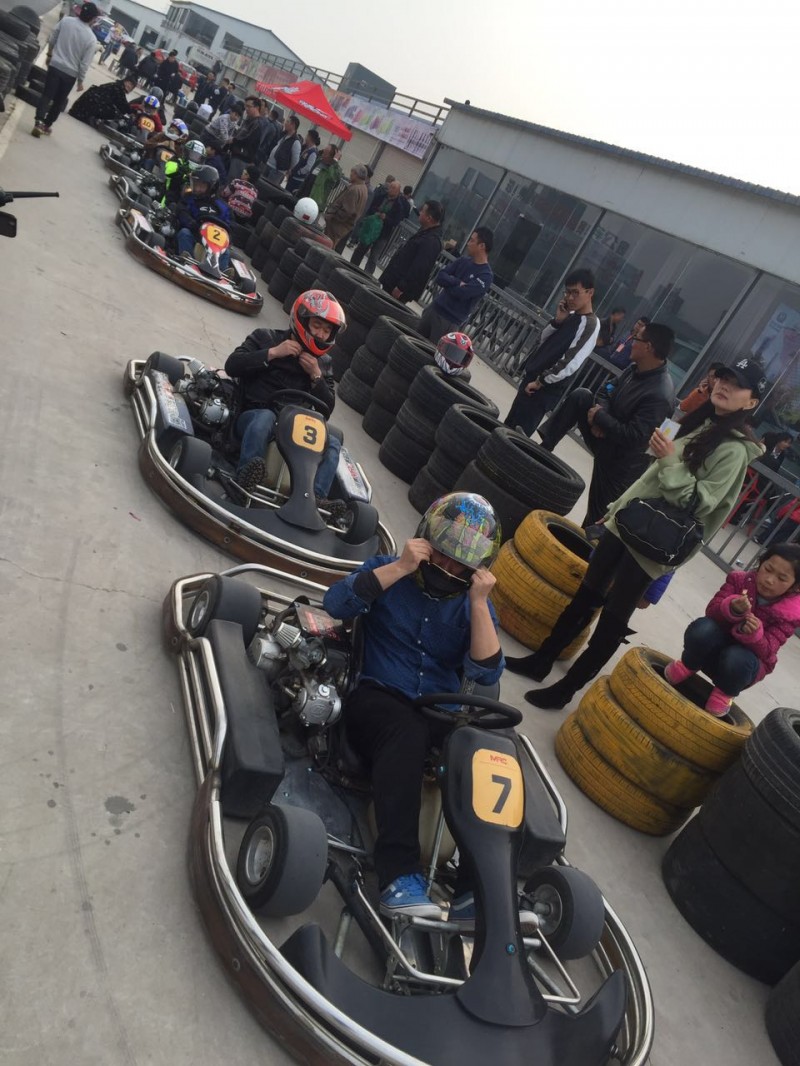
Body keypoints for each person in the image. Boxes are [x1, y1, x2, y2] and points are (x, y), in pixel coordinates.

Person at [507, 358, 767, 711]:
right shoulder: (698, 422)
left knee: (615, 616)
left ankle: (567, 688)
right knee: (587, 593)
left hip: (656, 539)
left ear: (751, 402)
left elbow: (700, 503)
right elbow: (651, 472)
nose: (724, 385)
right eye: (723, 377)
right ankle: (542, 659)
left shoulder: (735, 451)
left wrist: (670, 459)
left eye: (737, 384)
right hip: (630, 520)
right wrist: (617, 508)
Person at [322, 492, 504, 917]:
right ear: (426, 541)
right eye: (442, 555)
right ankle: (398, 875)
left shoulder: (473, 607)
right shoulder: (388, 568)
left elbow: (486, 673)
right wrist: (403, 567)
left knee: (492, 752)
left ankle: (476, 888)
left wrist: (478, 603)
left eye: (460, 564)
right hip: (376, 698)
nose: (448, 568)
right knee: (407, 731)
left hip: (439, 711)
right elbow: (335, 604)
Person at [537, 322, 677, 527]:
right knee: (581, 397)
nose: (631, 343)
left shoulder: (660, 394)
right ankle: (543, 450)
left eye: (636, 339)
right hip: (605, 436)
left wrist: (601, 418)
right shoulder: (634, 369)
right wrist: (600, 415)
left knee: (596, 520)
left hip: (621, 465)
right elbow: (606, 389)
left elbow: (635, 437)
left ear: (648, 347)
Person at [223, 291, 346, 506]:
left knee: (333, 443)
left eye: (327, 330)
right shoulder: (266, 338)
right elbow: (232, 365)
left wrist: (316, 376)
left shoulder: (323, 364)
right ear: (302, 320)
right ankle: (245, 480)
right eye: (317, 326)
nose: (321, 334)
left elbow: (327, 409)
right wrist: (272, 353)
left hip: (294, 428)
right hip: (251, 417)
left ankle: (314, 499)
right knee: (265, 418)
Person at [663, 544, 800, 715]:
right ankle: (688, 665)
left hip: (742, 666)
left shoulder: (789, 615)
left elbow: (768, 651)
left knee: (737, 657)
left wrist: (755, 635)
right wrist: (732, 608)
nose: (769, 580)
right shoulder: (739, 581)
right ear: (760, 563)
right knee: (703, 629)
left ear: (795, 586)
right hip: (714, 648)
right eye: (768, 569)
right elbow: (711, 611)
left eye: (782, 578)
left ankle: (724, 693)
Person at [503, 269, 600, 435]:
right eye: (567, 292)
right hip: (532, 378)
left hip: (543, 388)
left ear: (590, 292)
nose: (570, 298)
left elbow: (570, 362)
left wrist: (541, 382)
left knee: (516, 435)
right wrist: (558, 321)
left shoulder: (590, 324)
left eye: (575, 293)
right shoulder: (570, 316)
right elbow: (542, 340)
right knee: (507, 426)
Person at [32, 1, 99, 138]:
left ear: (80, 11)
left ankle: (38, 122)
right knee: (59, 101)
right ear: (93, 19)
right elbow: (84, 63)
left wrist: (49, 54)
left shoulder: (66, 21)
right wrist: (80, 81)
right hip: (70, 74)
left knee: (47, 95)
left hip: (55, 65)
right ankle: (46, 125)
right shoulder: (92, 39)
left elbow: (52, 38)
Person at [419, 227, 494, 341]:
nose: (468, 243)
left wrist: (448, 283)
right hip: (433, 309)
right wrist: (457, 282)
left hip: (449, 320)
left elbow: (462, 294)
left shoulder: (485, 275)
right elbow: (440, 276)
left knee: (431, 349)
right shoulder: (463, 260)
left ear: (482, 246)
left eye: (472, 240)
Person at [379, 200, 444, 303]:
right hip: (391, 280)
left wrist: (401, 287)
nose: (420, 212)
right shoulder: (424, 233)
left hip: (397, 289)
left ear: (429, 218)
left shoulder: (432, 241)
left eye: (422, 211)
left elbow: (419, 268)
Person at [174, 165, 231, 269]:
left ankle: (219, 273)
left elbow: (229, 226)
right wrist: (191, 223)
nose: (197, 188)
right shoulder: (189, 198)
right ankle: (188, 262)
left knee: (226, 252)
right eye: (195, 184)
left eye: (201, 186)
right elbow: (181, 211)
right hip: (195, 234)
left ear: (212, 187)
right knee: (184, 233)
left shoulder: (222, 207)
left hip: (215, 242)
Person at [350, 179, 408, 275]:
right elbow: (371, 208)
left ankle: (366, 275)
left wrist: (386, 218)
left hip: (383, 233)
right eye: (390, 186)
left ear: (398, 191)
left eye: (393, 188)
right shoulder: (381, 197)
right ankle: (352, 267)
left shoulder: (399, 205)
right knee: (360, 249)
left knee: (374, 257)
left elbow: (396, 221)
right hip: (371, 228)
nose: (390, 189)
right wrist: (375, 213)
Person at [324, 164, 369, 252]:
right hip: (344, 226)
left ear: (356, 174)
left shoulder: (355, 189)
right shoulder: (364, 189)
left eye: (352, 172)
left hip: (337, 226)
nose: (350, 174)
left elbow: (347, 211)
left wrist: (332, 217)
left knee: (326, 247)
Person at [68, 74, 136, 125]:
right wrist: (131, 113)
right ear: (125, 81)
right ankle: (93, 119)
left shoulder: (115, 85)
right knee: (114, 113)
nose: (129, 86)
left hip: (78, 108)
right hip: (85, 109)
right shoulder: (118, 89)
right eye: (129, 83)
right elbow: (123, 104)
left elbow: (122, 104)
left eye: (132, 86)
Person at [226, 96, 262, 180]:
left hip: (242, 158)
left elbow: (248, 139)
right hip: (235, 154)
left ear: (257, 108)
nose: (246, 109)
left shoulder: (257, 123)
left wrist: (233, 140)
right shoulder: (248, 119)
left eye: (249, 106)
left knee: (231, 180)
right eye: (245, 106)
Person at [161, 139, 206, 205]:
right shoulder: (176, 160)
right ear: (186, 153)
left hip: (189, 199)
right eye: (193, 155)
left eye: (198, 157)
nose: (195, 158)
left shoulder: (199, 171)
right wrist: (181, 169)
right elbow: (169, 171)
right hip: (171, 194)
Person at [300, 144, 341, 209]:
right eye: (323, 152)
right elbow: (309, 176)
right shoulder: (319, 161)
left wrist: (335, 161)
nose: (323, 155)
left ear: (331, 157)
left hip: (314, 203)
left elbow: (334, 179)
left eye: (325, 153)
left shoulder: (333, 170)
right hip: (304, 196)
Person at [265, 115, 301, 185]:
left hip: (278, 170)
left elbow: (295, 161)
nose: (285, 123)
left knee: (268, 187)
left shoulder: (296, 142)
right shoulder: (283, 134)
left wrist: (288, 169)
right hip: (269, 163)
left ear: (293, 125)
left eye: (287, 122)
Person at [286, 129, 320, 194]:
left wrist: (299, 172)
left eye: (307, 136)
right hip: (293, 177)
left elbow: (308, 167)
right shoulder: (307, 149)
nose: (305, 137)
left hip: (298, 180)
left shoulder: (313, 152)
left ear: (310, 137)